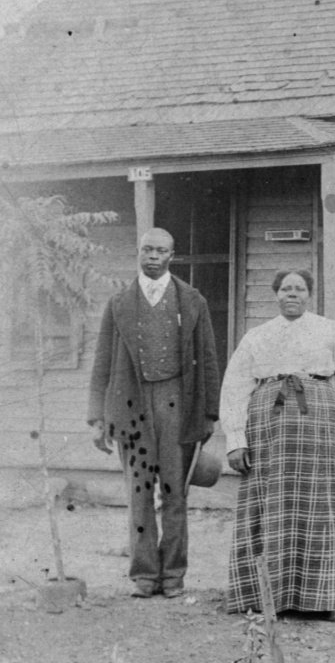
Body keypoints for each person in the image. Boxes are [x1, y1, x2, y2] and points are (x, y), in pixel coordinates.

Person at [220, 269, 335, 618]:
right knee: (270, 503)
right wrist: (236, 440)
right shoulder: (257, 336)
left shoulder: (331, 330)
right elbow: (235, 387)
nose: (292, 294)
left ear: (309, 295)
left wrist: (320, 394)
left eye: (299, 289)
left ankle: (324, 598)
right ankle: (264, 597)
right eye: (285, 288)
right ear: (276, 295)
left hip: (318, 427)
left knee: (320, 504)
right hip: (269, 428)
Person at [88, 228, 221, 598]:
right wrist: (97, 416)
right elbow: (101, 363)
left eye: (160, 251)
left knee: (175, 492)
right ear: (138, 252)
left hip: (176, 403)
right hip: (130, 404)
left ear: (171, 256)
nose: (152, 256)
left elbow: (209, 359)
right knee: (139, 492)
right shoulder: (118, 304)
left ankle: (174, 575)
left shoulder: (192, 301)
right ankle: (144, 575)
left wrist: (209, 413)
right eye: (146, 249)